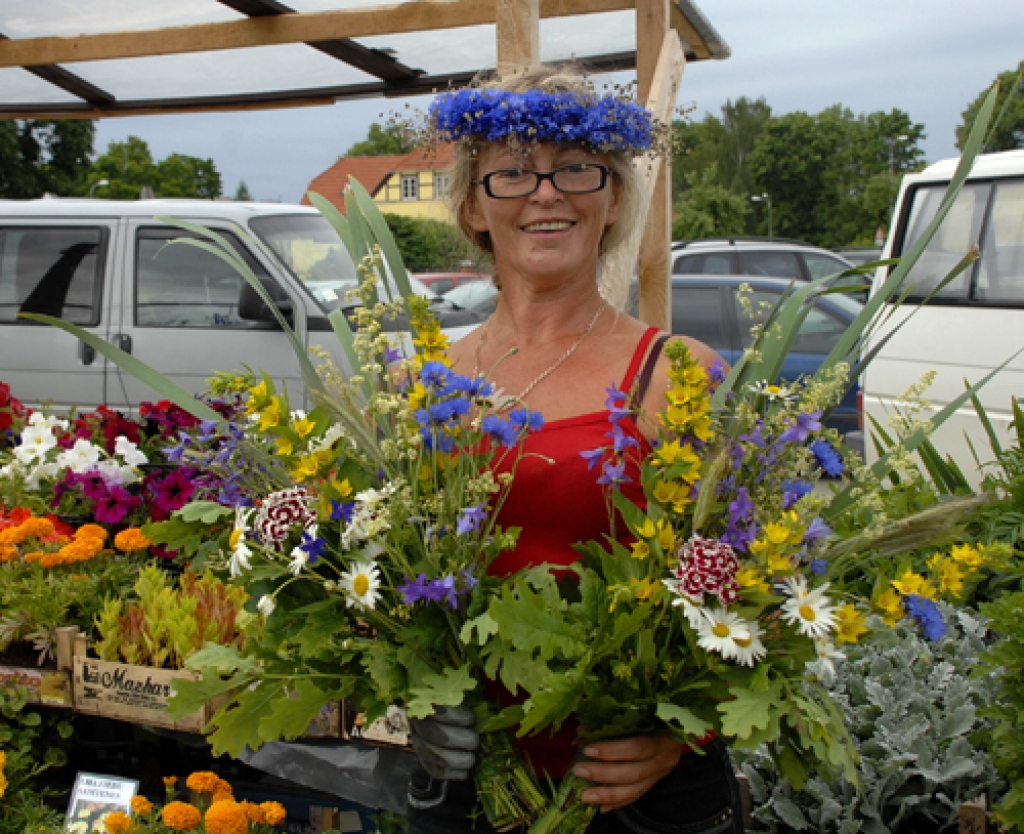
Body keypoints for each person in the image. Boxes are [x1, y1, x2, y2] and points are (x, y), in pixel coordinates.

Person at [406, 65, 744, 834]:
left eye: (575, 168)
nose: (546, 193)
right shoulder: (422, 384)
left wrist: (684, 723)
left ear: (615, 196)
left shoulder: (678, 373)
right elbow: (388, 575)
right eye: (513, 173)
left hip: (647, 802)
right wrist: (412, 694)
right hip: (469, 791)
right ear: (472, 204)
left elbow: (761, 586)